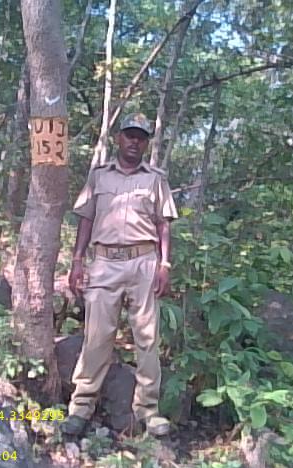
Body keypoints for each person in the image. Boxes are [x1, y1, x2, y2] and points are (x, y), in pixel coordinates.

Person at [60, 113, 178, 437]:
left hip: (144, 262)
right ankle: (81, 406)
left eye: (141, 137)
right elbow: (86, 219)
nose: (134, 142)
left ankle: (148, 411)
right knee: (97, 336)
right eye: (129, 135)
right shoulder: (99, 177)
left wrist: (165, 265)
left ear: (146, 143)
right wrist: (77, 260)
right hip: (104, 262)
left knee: (147, 338)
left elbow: (163, 224)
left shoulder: (155, 179)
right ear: (118, 138)